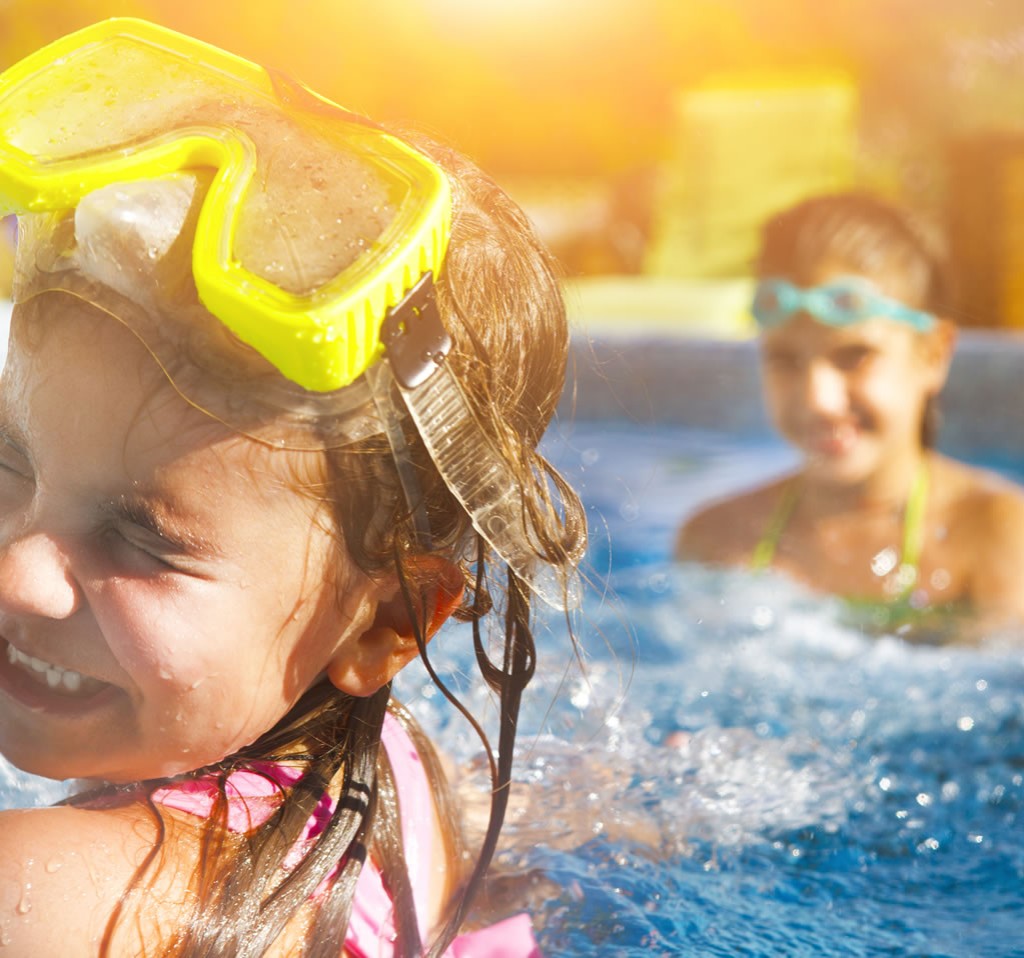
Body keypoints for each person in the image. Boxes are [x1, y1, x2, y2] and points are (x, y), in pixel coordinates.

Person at [0, 18, 585, 957]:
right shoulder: (392, 774)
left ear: (386, 623)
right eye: (9, 464)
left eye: (140, 538)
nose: (16, 574)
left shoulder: (50, 898)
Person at [676, 191, 1024, 640]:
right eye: (786, 360)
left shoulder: (997, 537)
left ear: (934, 355)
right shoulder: (716, 542)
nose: (818, 399)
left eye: (854, 356)